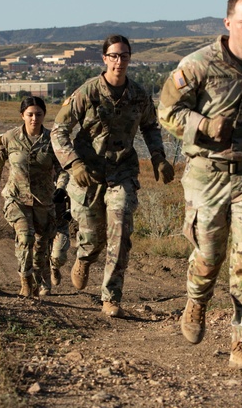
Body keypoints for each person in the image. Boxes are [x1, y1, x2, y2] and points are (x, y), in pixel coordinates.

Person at [158, 0, 242, 373]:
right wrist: (203, 124)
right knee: (208, 257)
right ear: (228, 22)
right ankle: (197, 301)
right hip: (208, 175)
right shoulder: (198, 65)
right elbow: (167, 110)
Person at [52, 34, 173, 318]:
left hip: (123, 171)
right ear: (105, 59)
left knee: (120, 233)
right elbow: (59, 130)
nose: (120, 61)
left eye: (125, 56)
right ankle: (84, 259)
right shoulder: (87, 92)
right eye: (114, 56)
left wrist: (158, 158)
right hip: (88, 174)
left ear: (130, 59)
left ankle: (111, 296)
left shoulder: (139, 95)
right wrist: (73, 164)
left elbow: (151, 127)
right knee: (93, 238)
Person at [0, 96, 64, 298]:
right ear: (22, 115)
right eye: (29, 114)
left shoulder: (53, 140)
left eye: (38, 114)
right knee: (25, 237)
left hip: (44, 200)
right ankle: (25, 281)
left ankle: (42, 280)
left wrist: (61, 188)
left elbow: (64, 169)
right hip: (17, 198)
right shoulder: (9, 138)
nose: (34, 119)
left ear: (44, 115)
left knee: (41, 244)